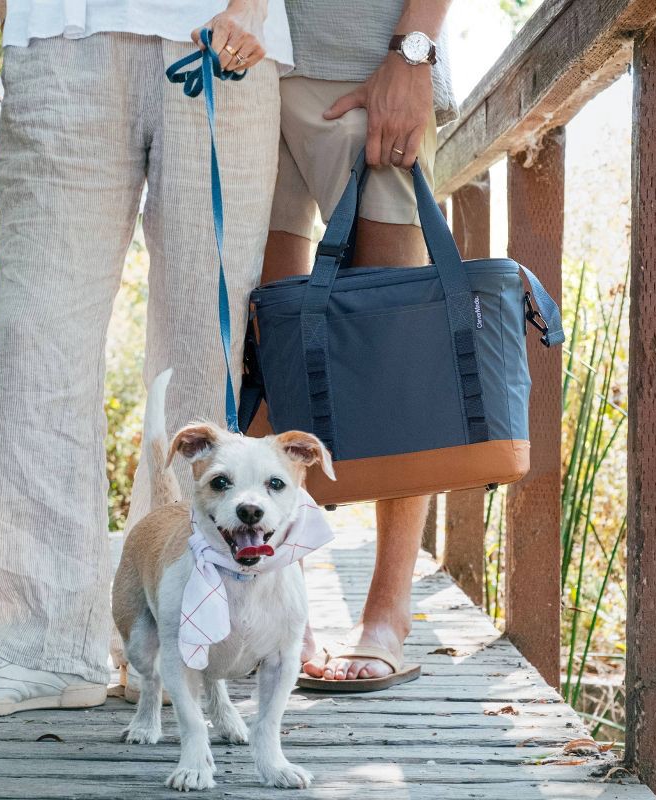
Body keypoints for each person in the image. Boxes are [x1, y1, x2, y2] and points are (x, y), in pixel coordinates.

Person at [0, 0, 291, 718]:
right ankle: (39, 646)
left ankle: (178, 635)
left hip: (225, 42)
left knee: (204, 360)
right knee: (40, 344)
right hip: (62, 36)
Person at [262, 0, 457, 686]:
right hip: (245, 68)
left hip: (365, 57)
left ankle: (387, 612)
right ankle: (280, 608)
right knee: (265, 354)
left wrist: (412, 51)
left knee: (395, 348)